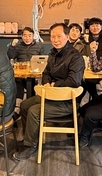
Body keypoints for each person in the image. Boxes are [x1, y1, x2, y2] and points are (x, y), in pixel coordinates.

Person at [13, 23, 85, 161]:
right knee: (24, 105)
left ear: (67, 36)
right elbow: (46, 72)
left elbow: (74, 81)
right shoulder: (53, 53)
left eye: (59, 36)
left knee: (34, 111)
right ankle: (31, 137)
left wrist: (54, 84)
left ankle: (30, 146)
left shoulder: (75, 56)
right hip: (51, 96)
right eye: (53, 36)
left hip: (67, 102)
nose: (55, 40)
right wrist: (46, 82)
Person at [7, 27, 45, 99]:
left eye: (30, 36)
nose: (27, 38)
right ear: (22, 36)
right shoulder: (18, 46)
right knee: (17, 81)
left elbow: (43, 59)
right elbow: (10, 56)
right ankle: (18, 102)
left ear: (33, 36)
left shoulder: (39, 46)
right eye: (25, 35)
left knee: (32, 81)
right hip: (21, 72)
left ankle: (30, 101)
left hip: (34, 73)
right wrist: (12, 46)